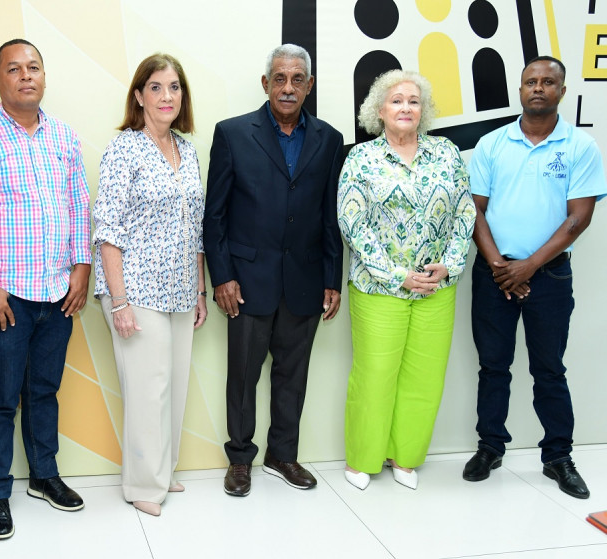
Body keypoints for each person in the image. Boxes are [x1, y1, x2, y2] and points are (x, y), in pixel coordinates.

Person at [0, 39, 91, 538]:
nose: (26, 76)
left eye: (34, 67)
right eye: (14, 69)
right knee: (1, 398)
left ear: (44, 77)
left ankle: (44, 477)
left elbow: (79, 207)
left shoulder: (65, 138)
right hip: (4, 296)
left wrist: (81, 268)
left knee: (44, 391)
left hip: (58, 292)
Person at [203, 44, 344, 497]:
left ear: (309, 85)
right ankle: (240, 460)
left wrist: (331, 278)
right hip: (245, 282)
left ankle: (283, 454)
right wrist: (222, 276)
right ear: (266, 84)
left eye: (297, 79)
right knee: (243, 376)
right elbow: (215, 215)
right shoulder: (232, 133)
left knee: (293, 375)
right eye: (279, 78)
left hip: (304, 281)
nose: (288, 87)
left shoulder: (329, 139)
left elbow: (329, 216)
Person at [463, 56, 606, 499]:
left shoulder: (580, 147)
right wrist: (503, 269)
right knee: (493, 367)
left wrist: (528, 267)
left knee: (549, 369)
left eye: (548, 82)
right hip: (494, 274)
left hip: (549, 279)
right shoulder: (491, 144)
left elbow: (577, 220)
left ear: (562, 91)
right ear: (520, 89)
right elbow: (474, 211)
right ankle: (490, 447)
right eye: (531, 82)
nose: (538, 88)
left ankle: (558, 457)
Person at [337, 70, 475, 491]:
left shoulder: (446, 153)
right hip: (379, 288)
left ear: (424, 110)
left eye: (413, 101)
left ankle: (406, 456)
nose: (406, 108)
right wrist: (397, 275)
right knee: (376, 374)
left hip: (436, 289)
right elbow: (351, 221)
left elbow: (465, 212)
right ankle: (362, 460)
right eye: (396, 101)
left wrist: (449, 266)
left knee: (424, 377)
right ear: (379, 110)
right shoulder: (362, 158)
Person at [93, 53, 207, 517]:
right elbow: (108, 229)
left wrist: (199, 291)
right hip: (134, 289)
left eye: (175, 87)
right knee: (147, 387)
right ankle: (142, 484)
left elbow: (196, 228)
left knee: (174, 384)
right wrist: (118, 302)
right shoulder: (124, 149)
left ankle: (163, 470)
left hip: (180, 287)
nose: (167, 96)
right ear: (139, 95)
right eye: (156, 87)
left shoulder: (188, 149)